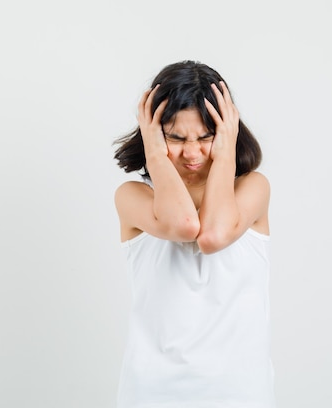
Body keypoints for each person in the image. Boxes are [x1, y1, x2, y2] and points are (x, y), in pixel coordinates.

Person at [112, 60, 276, 408]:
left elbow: (213, 236)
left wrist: (226, 157)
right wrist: (154, 154)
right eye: (175, 137)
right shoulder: (134, 197)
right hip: (152, 393)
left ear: (227, 131)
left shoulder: (253, 188)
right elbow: (183, 226)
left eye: (206, 136)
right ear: (153, 133)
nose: (192, 153)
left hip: (239, 392)